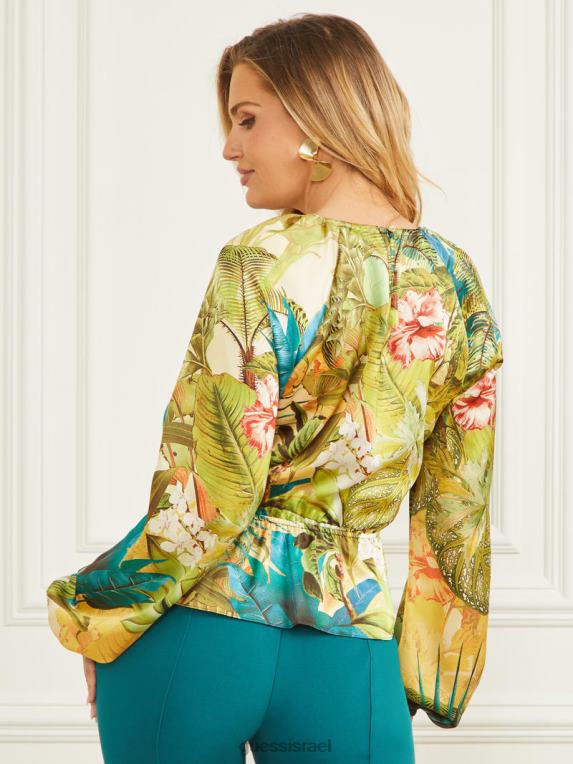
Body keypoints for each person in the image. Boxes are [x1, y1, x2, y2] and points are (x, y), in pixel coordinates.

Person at [46, 12, 504, 763]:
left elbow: (213, 491)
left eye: (247, 119)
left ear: (317, 117)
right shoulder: (454, 278)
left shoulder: (259, 260)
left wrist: (100, 615)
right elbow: (459, 504)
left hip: (198, 635)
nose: (230, 148)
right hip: (349, 643)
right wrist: (431, 668)